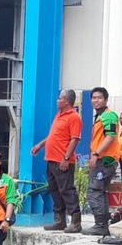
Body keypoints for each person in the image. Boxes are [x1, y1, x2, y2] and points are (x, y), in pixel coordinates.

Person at [30, 89, 82, 233]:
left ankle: (76, 222)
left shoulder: (74, 117)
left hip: (62, 161)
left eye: (59, 98)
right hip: (51, 159)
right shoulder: (59, 115)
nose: (57, 100)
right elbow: (53, 136)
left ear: (67, 101)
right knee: (54, 190)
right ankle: (59, 221)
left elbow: (75, 139)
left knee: (67, 190)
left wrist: (66, 158)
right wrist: (40, 145)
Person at [84, 86, 119, 236]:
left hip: (104, 160)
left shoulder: (109, 116)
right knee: (100, 191)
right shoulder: (99, 116)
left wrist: (96, 153)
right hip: (101, 159)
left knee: (94, 192)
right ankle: (102, 224)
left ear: (105, 100)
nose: (96, 100)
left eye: (99, 98)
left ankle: (100, 225)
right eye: (93, 98)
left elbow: (110, 136)